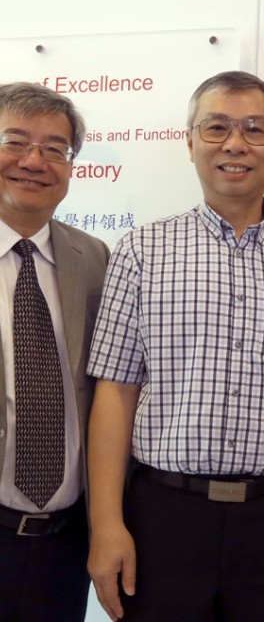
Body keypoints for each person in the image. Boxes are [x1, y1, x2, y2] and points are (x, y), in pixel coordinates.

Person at [86, 71, 264, 622]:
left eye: (254, 130)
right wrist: (107, 522)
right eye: (216, 128)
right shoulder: (141, 252)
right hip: (163, 516)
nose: (234, 144)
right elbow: (115, 392)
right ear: (189, 142)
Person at [0, 82, 109, 621]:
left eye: (55, 149)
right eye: (15, 141)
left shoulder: (93, 258)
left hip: (63, 543)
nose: (34, 161)